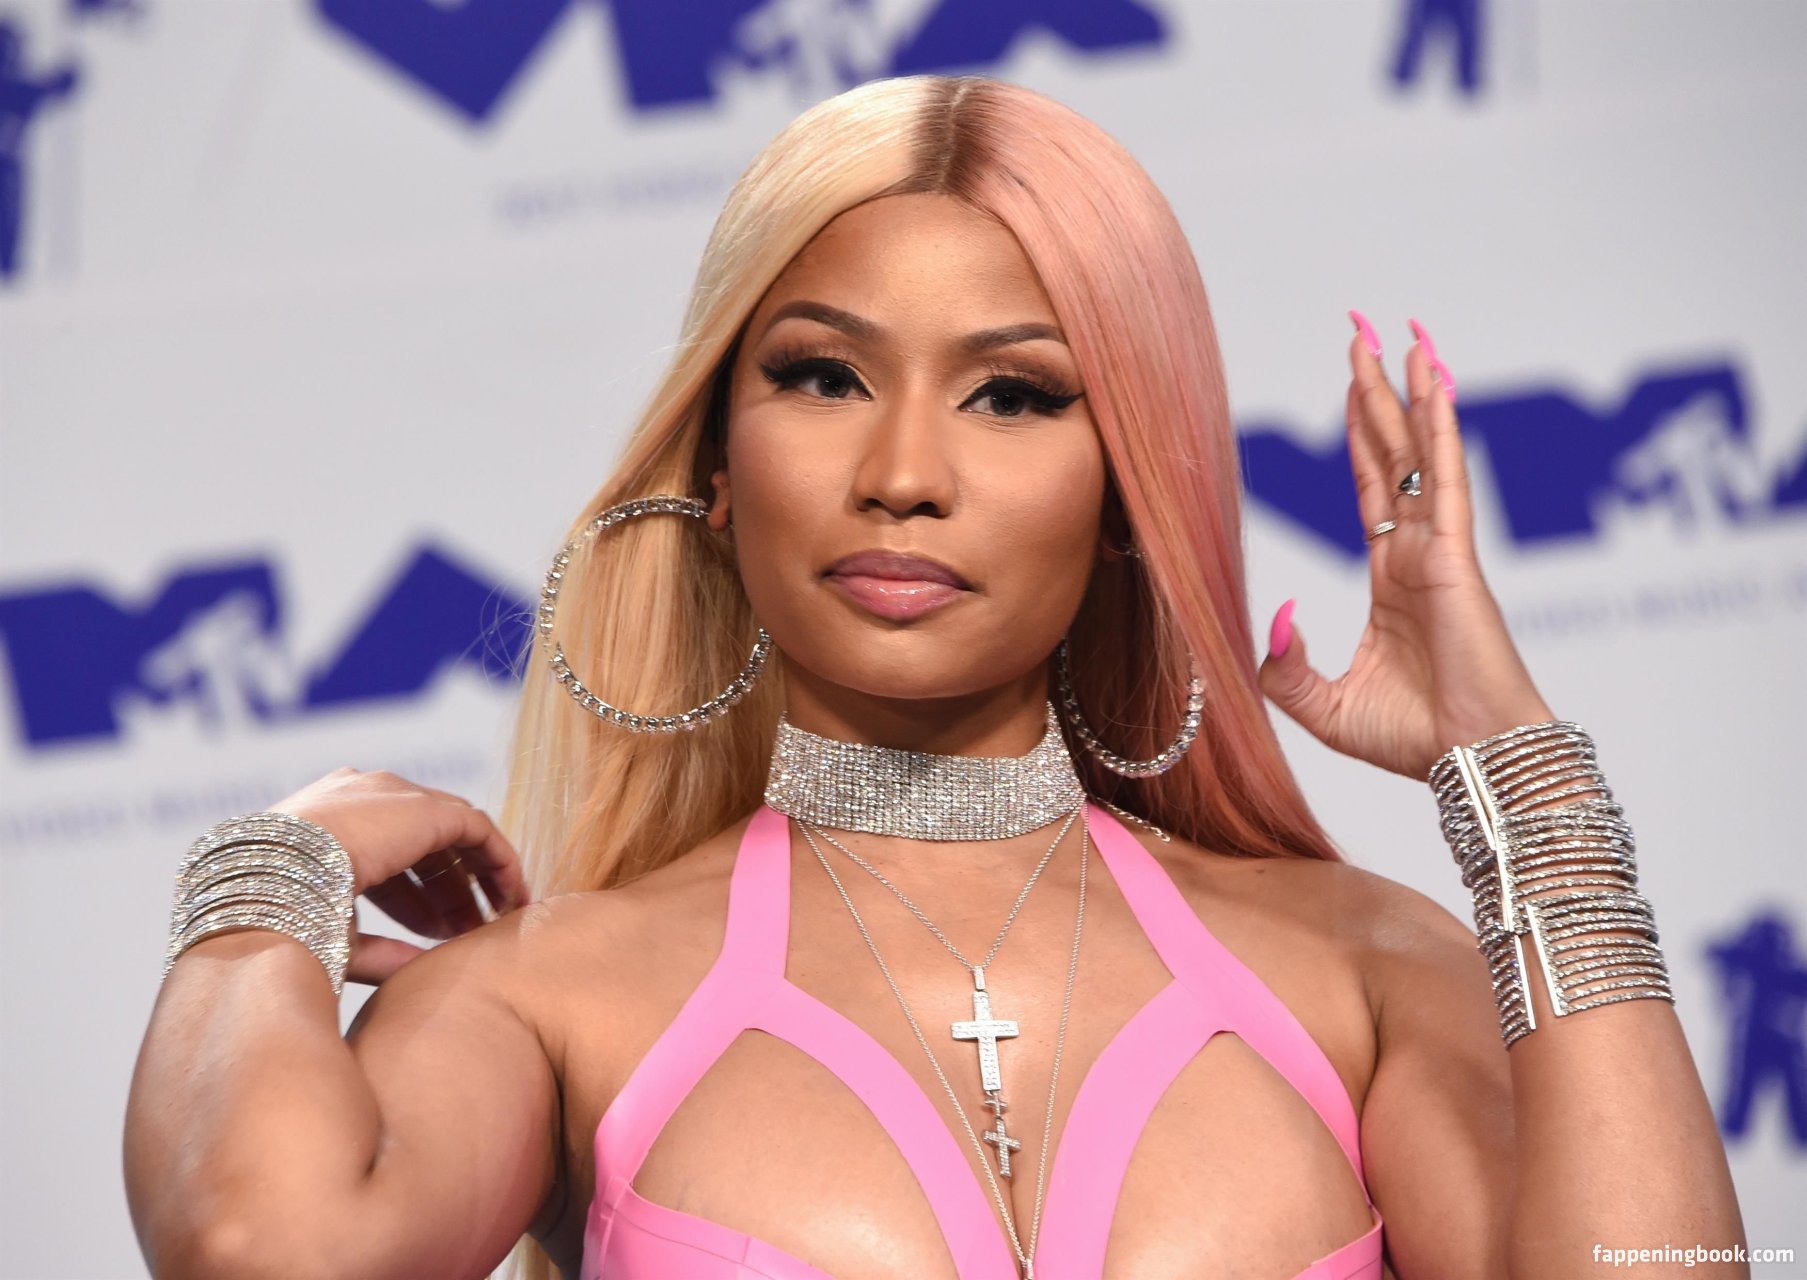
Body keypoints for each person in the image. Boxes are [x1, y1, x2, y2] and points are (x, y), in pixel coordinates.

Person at [125, 74, 1746, 1279]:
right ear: (714, 461)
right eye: (824, 376)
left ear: (1128, 489)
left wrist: (1517, 772)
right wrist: (272, 873)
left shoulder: (1362, 971)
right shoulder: (552, 996)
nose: (902, 473)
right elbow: (262, 1249)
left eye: (1014, 396)